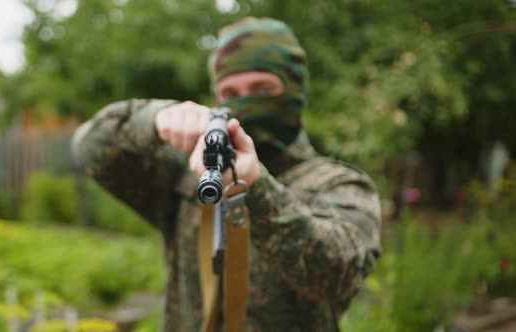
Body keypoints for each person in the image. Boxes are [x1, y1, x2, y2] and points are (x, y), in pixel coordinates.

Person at [72, 17, 381, 332]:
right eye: (230, 91)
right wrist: (155, 118)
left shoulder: (338, 184)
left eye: (263, 88)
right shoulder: (187, 172)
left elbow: (338, 274)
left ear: (295, 89)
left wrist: (256, 188)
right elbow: (89, 149)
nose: (245, 100)